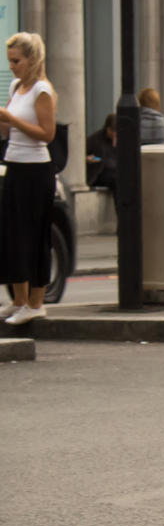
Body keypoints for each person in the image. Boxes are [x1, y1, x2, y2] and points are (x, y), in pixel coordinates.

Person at [0, 33, 59, 325]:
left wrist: (12, 120)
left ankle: (36, 303)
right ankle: (19, 300)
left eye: (16, 60)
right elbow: (8, 133)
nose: (11, 66)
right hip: (14, 165)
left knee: (34, 237)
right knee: (12, 235)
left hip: (36, 171)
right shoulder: (16, 87)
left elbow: (47, 135)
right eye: (9, 60)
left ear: (32, 59)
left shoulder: (41, 90)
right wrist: (4, 122)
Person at [86, 113, 118, 194]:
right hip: (101, 173)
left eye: (116, 131)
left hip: (117, 171)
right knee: (116, 179)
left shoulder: (123, 139)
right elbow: (82, 155)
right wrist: (87, 159)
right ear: (107, 128)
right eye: (112, 131)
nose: (114, 134)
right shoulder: (95, 139)